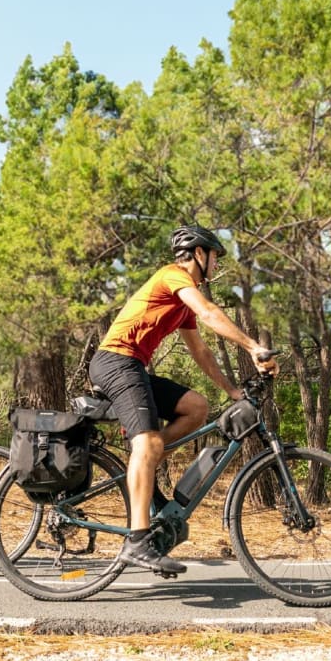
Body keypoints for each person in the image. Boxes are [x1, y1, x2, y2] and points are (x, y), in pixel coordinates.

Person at [90, 225, 277, 574]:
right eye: (215, 257)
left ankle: (144, 459)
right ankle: (137, 541)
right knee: (146, 444)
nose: (217, 266)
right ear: (199, 254)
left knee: (196, 407)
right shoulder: (172, 276)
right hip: (116, 361)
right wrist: (252, 346)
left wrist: (233, 391)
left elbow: (201, 352)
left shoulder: (181, 305)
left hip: (133, 366)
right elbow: (208, 312)